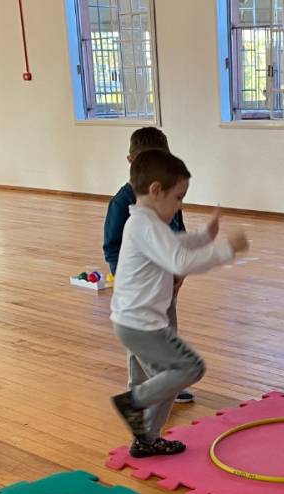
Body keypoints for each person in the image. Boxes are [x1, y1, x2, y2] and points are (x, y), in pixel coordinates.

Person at [109, 149, 248, 457]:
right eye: (178, 198)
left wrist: (204, 236)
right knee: (190, 368)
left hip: (136, 322)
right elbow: (180, 261)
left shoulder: (146, 224)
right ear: (156, 191)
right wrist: (227, 249)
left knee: (168, 381)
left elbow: (175, 245)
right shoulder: (145, 225)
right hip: (141, 325)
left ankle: (147, 439)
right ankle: (133, 402)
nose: (180, 205)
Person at [104, 126, 195, 403]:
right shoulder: (122, 203)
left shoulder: (168, 196)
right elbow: (113, 246)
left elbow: (178, 233)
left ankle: (167, 383)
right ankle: (140, 389)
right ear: (131, 162)